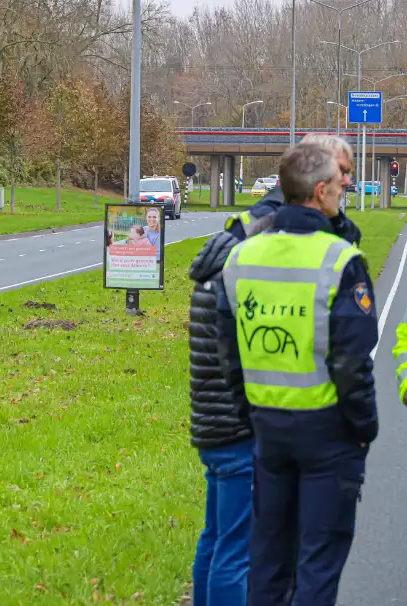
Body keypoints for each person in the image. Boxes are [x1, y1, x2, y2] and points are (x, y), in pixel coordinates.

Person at [216, 142, 378, 606]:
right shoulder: (340, 260)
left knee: (268, 559)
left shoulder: (243, 257)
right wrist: (364, 427)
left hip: (268, 428)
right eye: (339, 183)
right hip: (328, 431)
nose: (343, 190)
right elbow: (352, 362)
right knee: (318, 564)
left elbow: (230, 353)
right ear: (320, 190)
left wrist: (249, 411)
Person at [186, 186, 283, 606]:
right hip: (236, 425)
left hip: (211, 423)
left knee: (215, 537)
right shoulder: (240, 276)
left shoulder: (213, 268)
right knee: (237, 550)